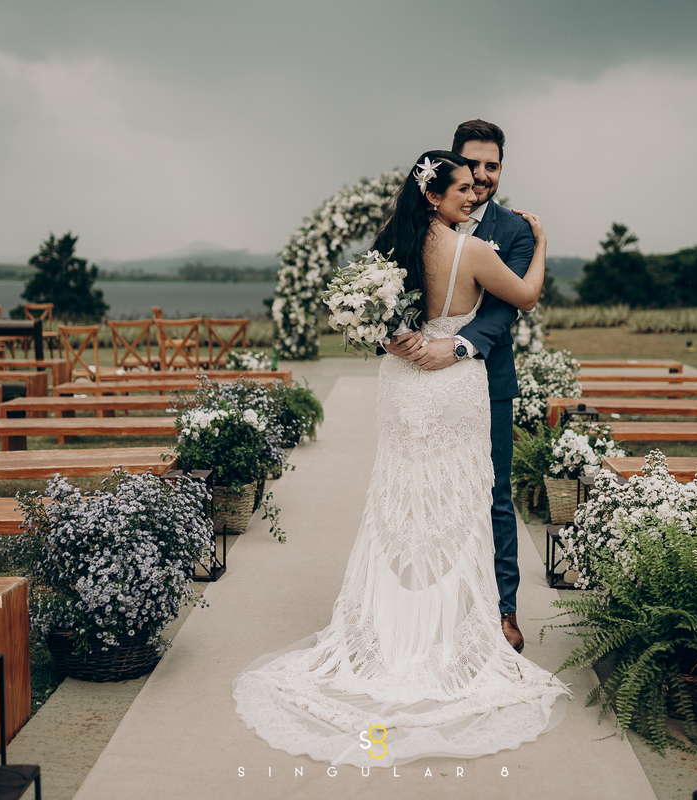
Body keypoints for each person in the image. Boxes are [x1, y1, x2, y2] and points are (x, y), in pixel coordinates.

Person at [232, 151, 569, 768]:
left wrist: (392, 335)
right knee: (456, 504)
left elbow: (359, 309)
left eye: (475, 187)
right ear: (436, 195)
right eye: (463, 189)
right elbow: (526, 295)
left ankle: (392, 630)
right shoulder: (474, 253)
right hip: (452, 384)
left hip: (403, 380)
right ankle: (444, 635)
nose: (472, 197)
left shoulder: (394, 248)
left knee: (399, 502)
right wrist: (542, 240)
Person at [386, 120, 532, 653]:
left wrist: (461, 344)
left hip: (484, 381)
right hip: (419, 380)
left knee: (492, 495)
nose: (483, 178)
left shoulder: (511, 230)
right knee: (423, 493)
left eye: (492, 167)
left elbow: (503, 309)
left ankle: (502, 612)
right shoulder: (415, 223)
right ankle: (424, 603)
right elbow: (386, 293)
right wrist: (391, 338)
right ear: (454, 164)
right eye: (473, 167)